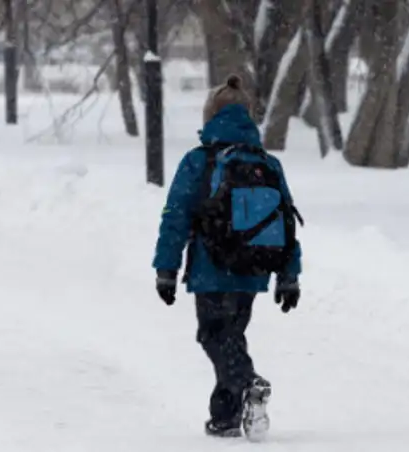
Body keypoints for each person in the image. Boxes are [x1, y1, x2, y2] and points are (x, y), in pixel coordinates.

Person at [152, 74, 302, 439]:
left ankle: (249, 384)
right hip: (254, 268)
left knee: (213, 335)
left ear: (210, 118)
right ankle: (225, 417)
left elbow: (176, 216)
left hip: (212, 266)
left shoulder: (199, 161)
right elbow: (286, 221)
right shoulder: (267, 162)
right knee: (231, 335)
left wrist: (166, 268)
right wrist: (288, 275)